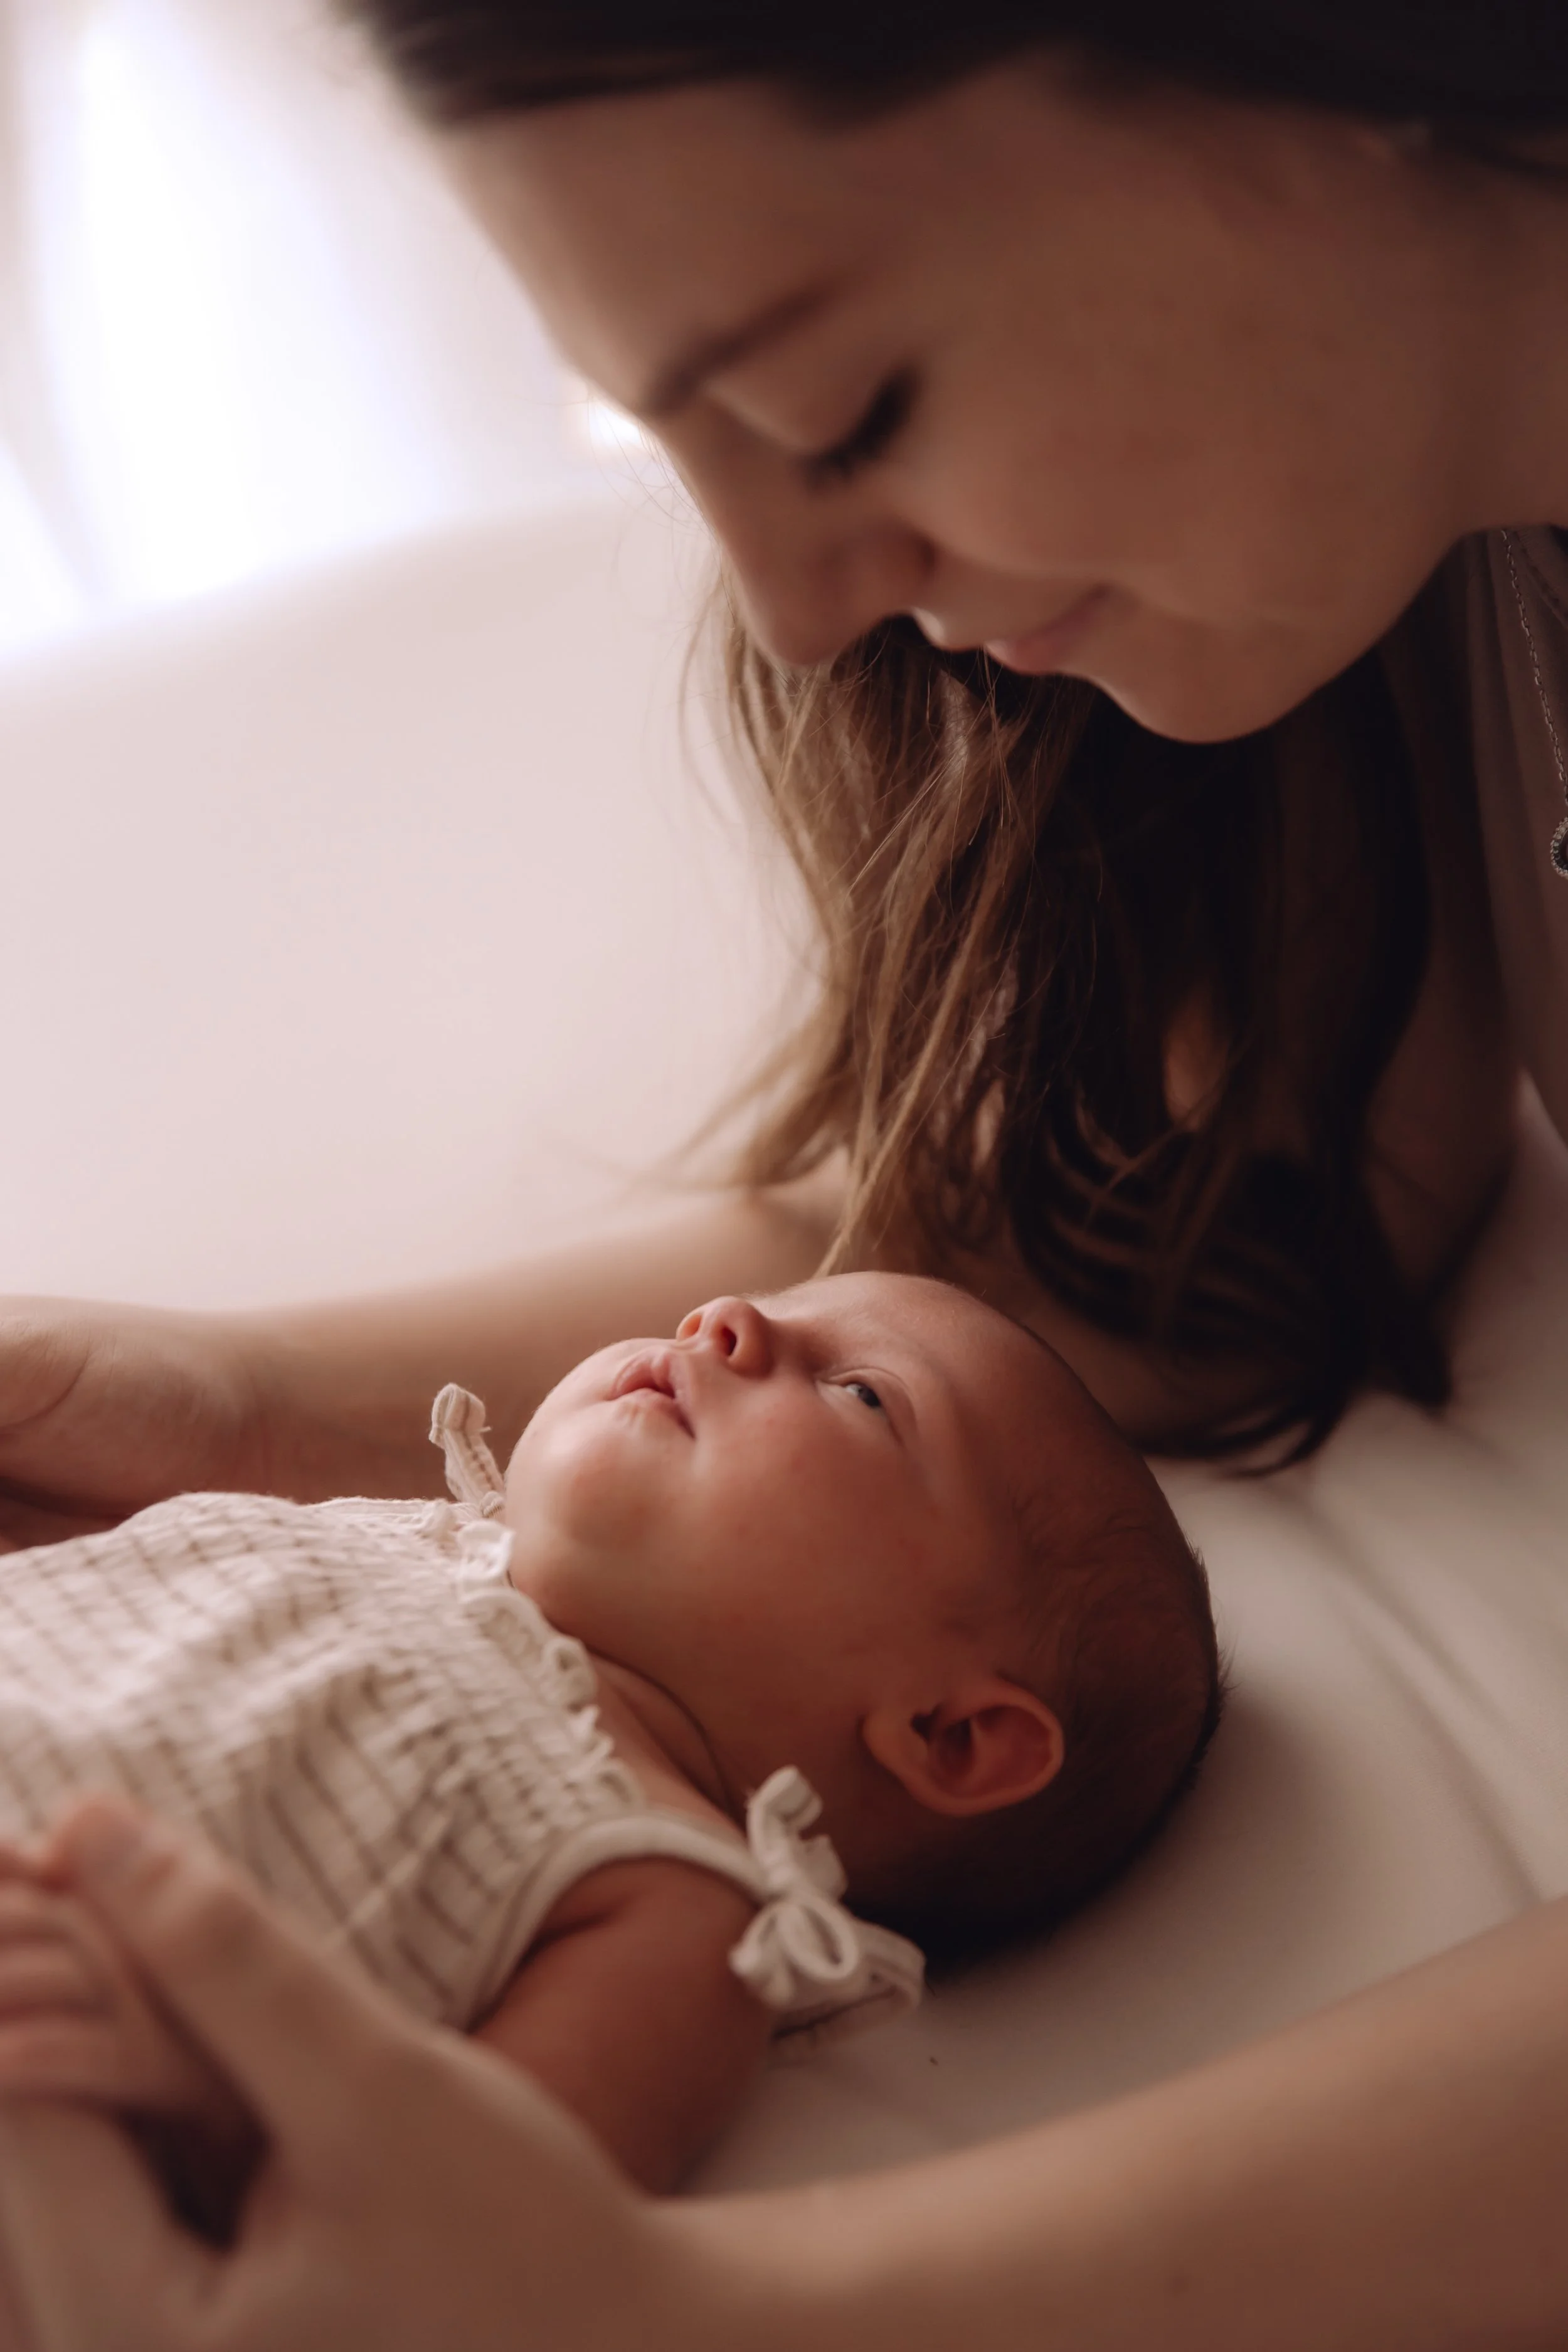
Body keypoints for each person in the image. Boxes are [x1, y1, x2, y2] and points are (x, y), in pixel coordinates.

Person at [1, 0, 1566, 2339]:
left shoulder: (666, 1900)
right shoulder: (1394, 577)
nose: (792, 597)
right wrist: (212, 1401)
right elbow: (1203, 1220)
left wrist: (666, 2308)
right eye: (675, 440)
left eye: (846, 410)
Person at [0, 1275, 1218, 2195]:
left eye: (861, 1395)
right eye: (783, 1298)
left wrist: (183, 2093)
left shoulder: (675, 1920)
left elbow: (442, 2227)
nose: (726, 1316)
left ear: (951, 1735)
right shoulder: (373, 1533)